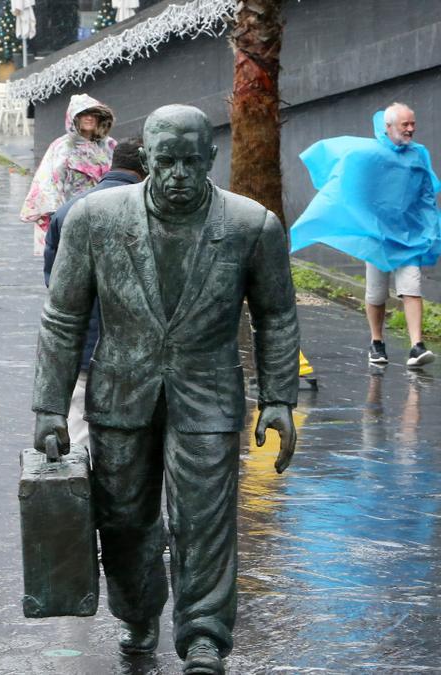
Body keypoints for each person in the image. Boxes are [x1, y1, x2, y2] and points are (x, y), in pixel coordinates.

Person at [34, 105, 299, 674]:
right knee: (124, 521)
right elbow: (62, 317)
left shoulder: (252, 225)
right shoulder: (94, 220)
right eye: (166, 160)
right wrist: (49, 407)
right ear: (146, 159)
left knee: (205, 520)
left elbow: (276, 316)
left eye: (190, 161)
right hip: (119, 395)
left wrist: (278, 397)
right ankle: (138, 613)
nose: (177, 173)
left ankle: (204, 635)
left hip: (208, 396)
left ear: (210, 160)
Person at [290, 102, 438, 368]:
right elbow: (348, 182)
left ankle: (416, 346)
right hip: (377, 237)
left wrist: (430, 228)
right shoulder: (369, 154)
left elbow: (427, 195)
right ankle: (377, 342)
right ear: (389, 126)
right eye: (405, 124)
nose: (411, 129)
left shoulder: (418, 155)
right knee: (376, 295)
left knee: (411, 288)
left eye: (412, 124)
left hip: (409, 236)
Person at [42, 137, 147, 448]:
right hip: (136, 355)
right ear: (147, 168)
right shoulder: (150, 212)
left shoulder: (68, 211)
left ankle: (81, 493)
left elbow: (55, 287)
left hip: (83, 348)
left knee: (78, 437)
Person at [20, 94, 116, 256]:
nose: (89, 118)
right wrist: (57, 215)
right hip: (72, 212)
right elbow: (48, 181)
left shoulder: (109, 145)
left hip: (104, 213)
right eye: (84, 114)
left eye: (93, 114)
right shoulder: (62, 147)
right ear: (74, 118)